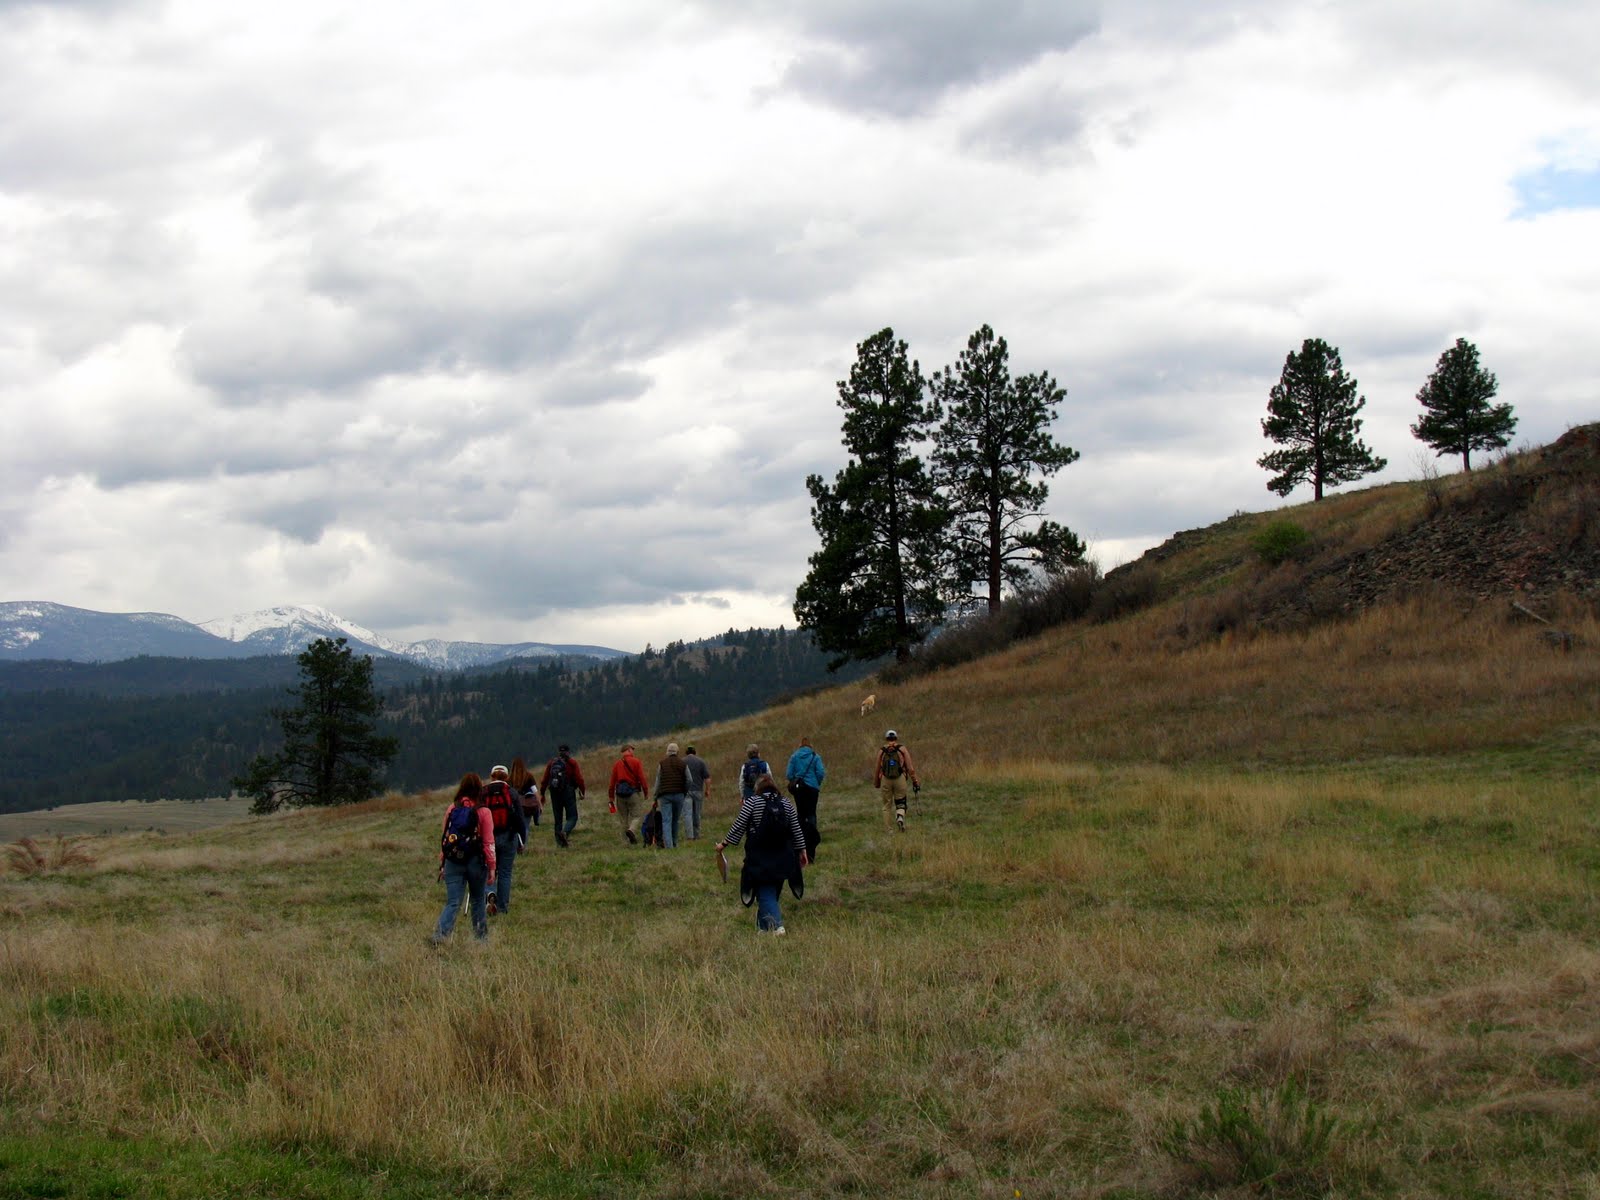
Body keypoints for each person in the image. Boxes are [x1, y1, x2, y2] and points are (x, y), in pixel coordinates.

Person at [715, 772, 807, 934]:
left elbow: (739, 825)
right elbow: (796, 828)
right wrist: (802, 850)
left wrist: (724, 844)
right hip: (783, 854)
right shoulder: (785, 802)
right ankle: (763, 928)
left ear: (757, 787)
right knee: (773, 888)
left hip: (759, 855)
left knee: (764, 890)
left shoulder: (752, 802)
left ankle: (777, 926)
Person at [432, 772, 497, 944]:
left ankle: (440, 936)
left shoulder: (452, 809)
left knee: (453, 902)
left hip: (453, 860)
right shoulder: (484, 811)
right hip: (476, 861)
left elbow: (446, 838)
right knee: (478, 900)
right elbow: (489, 842)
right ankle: (481, 939)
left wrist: (443, 863)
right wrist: (492, 867)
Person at [481, 764, 527, 914]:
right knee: (505, 873)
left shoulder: (483, 792)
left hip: (488, 838)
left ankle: (489, 893)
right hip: (509, 837)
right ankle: (502, 908)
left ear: (491, 776)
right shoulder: (511, 793)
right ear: (506, 777)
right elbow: (520, 819)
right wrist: (522, 840)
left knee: (489, 869)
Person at [784, 734, 826, 862]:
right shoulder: (815, 756)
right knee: (812, 814)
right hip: (812, 789)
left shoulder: (794, 756)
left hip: (799, 790)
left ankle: (800, 844)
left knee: (801, 815)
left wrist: (796, 780)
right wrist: (816, 782)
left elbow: (789, 774)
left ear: (800, 746)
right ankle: (812, 843)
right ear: (810, 746)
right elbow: (821, 772)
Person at [873, 730, 921, 833]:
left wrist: (877, 782)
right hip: (900, 778)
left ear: (886, 738)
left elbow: (877, 768)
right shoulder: (902, 749)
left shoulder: (882, 751)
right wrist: (915, 781)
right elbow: (910, 768)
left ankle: (889, 830)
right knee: (901, 802)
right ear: (896, 738)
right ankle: (900, 817)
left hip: (885, 779)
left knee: (887, 805)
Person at [539, 744, 585, 848]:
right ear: (568, 752)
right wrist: (582, 791)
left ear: (559, 752)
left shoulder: (552, 763)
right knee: (572, 817)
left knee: (558, 818)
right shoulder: (572, 763)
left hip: (554, 792)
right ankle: (565, 832)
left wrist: (542, 793)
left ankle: (560, 844)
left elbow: (545, 779)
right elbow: (579, 779)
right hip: (568, 791)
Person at [607, 744, 650, 844]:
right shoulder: (636, 761)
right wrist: (646, 792)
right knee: (636, 816)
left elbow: (612, 782)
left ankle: (625, 842)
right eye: (632, 749)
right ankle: (631, 830)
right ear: (628, 750)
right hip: (633, 793)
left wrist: (611, 797)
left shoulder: (617, 764)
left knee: (623, 819)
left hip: (620, 794)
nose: (633, 751)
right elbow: (642, 778)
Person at [653, 742, 692, 848]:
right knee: (675, 820)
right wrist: (684, 791)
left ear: (667, 752)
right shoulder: (682, 764)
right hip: (679, 795)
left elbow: (658, 782)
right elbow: (689, 780)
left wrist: (655, 797)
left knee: (666, 820)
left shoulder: (662, 764)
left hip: (665, 795)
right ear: (677, 751)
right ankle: (675, 843)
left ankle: (669, 845)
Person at [682, 744, 711, 841]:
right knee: (697, 813)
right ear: (695, 752)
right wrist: (707, 790)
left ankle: (689, 836)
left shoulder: (682, 761)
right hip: (698, 790)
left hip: (686, 791)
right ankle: (697, 834)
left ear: (686, 753)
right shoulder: (701, 761)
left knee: (687, 814)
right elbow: (707, 778)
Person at [510, 756, 541, 828]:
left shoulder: (510, 778)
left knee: (516, 827)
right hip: (527, 806)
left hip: (515, 806)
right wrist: (539, 804)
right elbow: (535, 791)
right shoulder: (529, 776)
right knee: (526, 826)